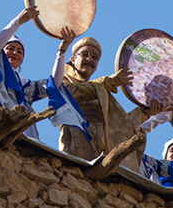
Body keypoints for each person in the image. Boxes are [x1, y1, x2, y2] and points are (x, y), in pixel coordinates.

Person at [0, 2, 88, 141]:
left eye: (19, 51)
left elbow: (54, 84)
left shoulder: (27, 84)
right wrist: (17, 22)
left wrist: (62, 52)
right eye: (10, 48)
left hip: (25, 130)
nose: (15, 52)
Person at [58, 37, 148, 169]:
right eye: (84, 54)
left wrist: (145, 113)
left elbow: (119, 125)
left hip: (102, 151)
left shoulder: (101, 91)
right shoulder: (63, 80)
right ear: (73, 59)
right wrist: (108, 82)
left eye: (94, 57)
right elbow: (70, 94)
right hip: (77, 143)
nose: (89, 59)